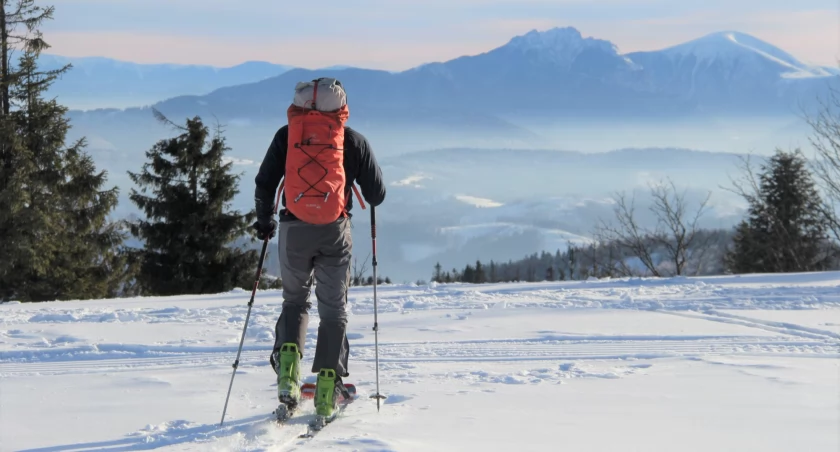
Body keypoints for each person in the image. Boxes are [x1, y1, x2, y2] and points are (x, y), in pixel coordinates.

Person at [252, 77, 385, 423]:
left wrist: (265, 221)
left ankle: (288, 378)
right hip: (334, 231)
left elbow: (265, 182)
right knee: (333, 309)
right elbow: (377, 194)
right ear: (340, 107)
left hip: (293, 229)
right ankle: (328, 388)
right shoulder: (352, 141)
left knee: (294, 301)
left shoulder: (287, 136)